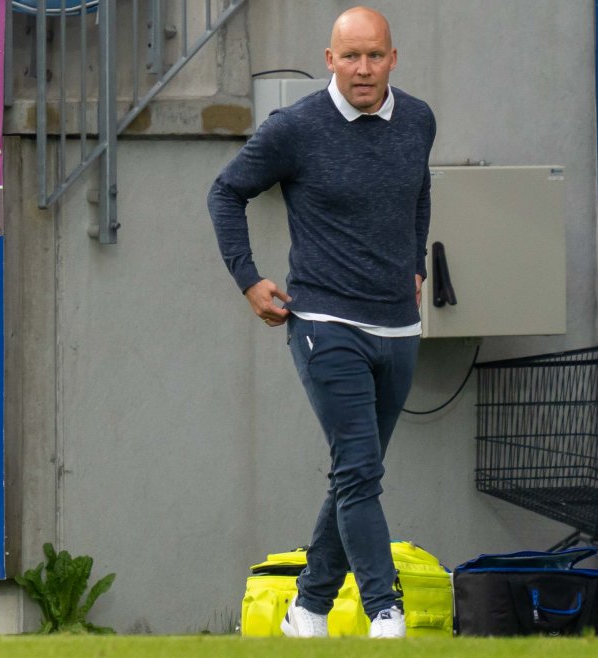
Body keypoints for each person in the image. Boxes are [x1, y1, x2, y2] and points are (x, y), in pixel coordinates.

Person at [207, 6, 435, 640]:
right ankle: (385, 611)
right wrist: (248, 279)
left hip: (399, 328)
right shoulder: (295, 127)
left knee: (355, 475)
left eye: (374, 55)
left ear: (393, 59)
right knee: (359, 470)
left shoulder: (418, 120)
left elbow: (419, 192)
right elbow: (225, 192)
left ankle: (307, 610)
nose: (363, 69)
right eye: (350, 56)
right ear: (329, 60)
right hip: (324, 323)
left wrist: (416, 262)